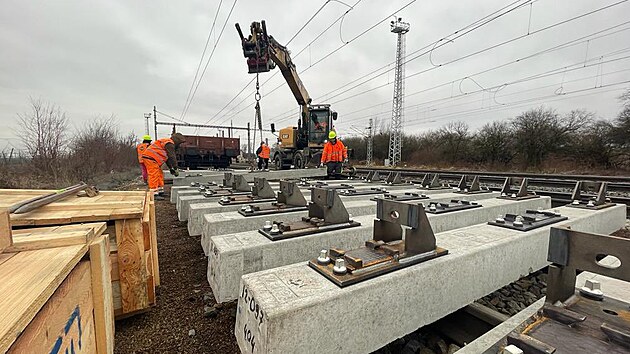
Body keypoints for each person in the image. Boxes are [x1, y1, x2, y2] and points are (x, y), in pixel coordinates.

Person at [142, 132, 186, 199]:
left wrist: (171, 168)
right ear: (177, 141)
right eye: (180, 143)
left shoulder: (167, 143)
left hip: (153, 159)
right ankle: (154, 193)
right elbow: (172, 156)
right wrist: (175, 168)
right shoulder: (169, 144)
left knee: (159, 174)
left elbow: (167, 158)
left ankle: (160, 191)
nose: (179, 145)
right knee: (154, 175)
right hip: (150, 158)